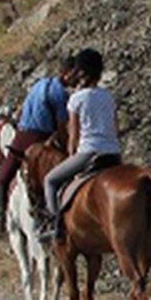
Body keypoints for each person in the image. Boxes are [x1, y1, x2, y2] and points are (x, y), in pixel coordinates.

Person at [40, 48, 122, 240]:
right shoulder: (108, 96)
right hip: (113, 154)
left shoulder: (76, 99)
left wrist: (70, 156)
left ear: (81, 72)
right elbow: (116, 127)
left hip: (88, 154)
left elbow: (73, 137)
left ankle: (57, 227)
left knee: (50, 181)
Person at [0, 54, 75, 231]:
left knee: (5, 174)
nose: (76, 79)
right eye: (74, 74)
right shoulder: (60, 94)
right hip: (40, 138)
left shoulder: (40, 83)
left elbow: (22, 110)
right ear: (67, 73)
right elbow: (62, 126)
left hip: (22, 134)